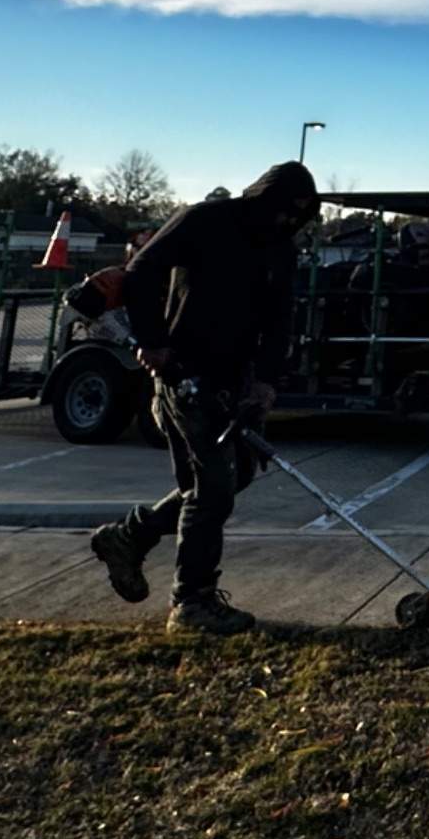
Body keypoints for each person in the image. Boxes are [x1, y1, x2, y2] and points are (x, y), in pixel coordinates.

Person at [86, 159, 316, 634]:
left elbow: (279, 319)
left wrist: (267, 381)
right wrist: (152, 340)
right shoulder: (205, 220)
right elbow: (142, 271)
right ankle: (192, 602)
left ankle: (130, 537)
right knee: (211, 490)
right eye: (283, 210)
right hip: (184, 371)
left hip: (238, 378)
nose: (287, 222)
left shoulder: (281, 249)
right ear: (261, 198)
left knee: (234, 477)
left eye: (299, 215)